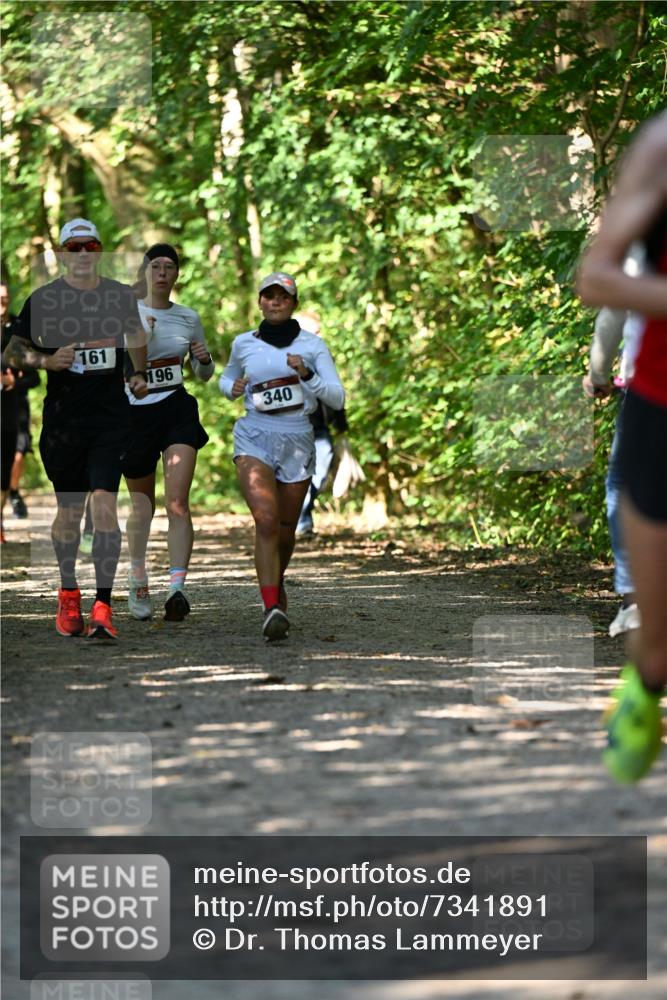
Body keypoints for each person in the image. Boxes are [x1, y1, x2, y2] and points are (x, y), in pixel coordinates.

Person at [3, 218, 148, 639]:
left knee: (104, 504)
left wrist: (136, 372)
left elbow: (135, 333)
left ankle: (103, 604)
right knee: (68, 511)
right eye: (75, 247)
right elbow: (13, 350)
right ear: (63, 253)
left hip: (110, 419)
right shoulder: (45, 300)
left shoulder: (119, 295)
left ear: (99, 251)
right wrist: (46, 362)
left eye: (91, 246)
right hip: (64, 422)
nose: (84, 254)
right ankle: (69, 592)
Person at [577, 111, 667, 782]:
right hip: (660, 405)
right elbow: (598, 280)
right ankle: (643, 682)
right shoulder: (661, 146)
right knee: (658, 649)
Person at [219, 271, 344, 640]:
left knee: (287, 530)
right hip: (255, 434)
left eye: (283, 297)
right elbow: (226, 380)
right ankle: (270, 604)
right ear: (259, 301)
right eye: (268, 296)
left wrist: (307, 375)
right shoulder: (243, 343)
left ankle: (277, 577)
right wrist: (232, 387)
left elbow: (337, 397)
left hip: (298, 436)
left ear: (293, 304)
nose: (275, 302)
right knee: (267, 520)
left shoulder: (312, 346)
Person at [122, 244, 214, 622]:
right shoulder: (125, 312)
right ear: (145, 272)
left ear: (177, 275)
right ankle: (138, 575)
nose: (162, 272)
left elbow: (203, 375)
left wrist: (204, 359)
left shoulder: (188, 317)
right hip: (133, 415)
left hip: (176, 408)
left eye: (169, 267)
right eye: (155, 265)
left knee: (178, 501)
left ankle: (177, 588)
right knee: (143, 507)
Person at [583, 302, 641, 637]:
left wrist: (597, 376)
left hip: (650, 387)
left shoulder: (644, 249)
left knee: (624, 485)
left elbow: (614, 315)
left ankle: (634, 598)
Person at [292, 311, 349, 537]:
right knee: (300, 473)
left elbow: (336, 391)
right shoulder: (282, 356)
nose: (319, 335)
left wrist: (342, 426)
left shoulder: (325, 356)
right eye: (314, 331)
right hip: (294, 425)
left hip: (320, 426)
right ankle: (302, 521)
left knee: (321, 469)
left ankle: (298, 512)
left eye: (319, 331)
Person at [1, 281, 41, 520]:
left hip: (16, 408)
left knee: (18, 452)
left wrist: (15, 382)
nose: (2, 303)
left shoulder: (17, 329)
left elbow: (35, 376)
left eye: (5, 298)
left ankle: (13, 491)